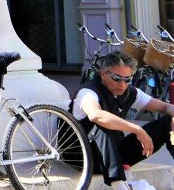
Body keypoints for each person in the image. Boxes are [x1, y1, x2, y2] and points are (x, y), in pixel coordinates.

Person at [73, 52, 174, 187]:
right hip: (84, 156)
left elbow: (165, 107)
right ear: (103, 74)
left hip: (116, 153)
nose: (122, 84)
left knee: (168, 122)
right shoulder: (88, 92)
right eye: (117, 78)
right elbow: (95, 115)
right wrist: (138, 130)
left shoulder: (130, 93)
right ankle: (118, 184)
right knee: (103, 122)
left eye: (127, 79)